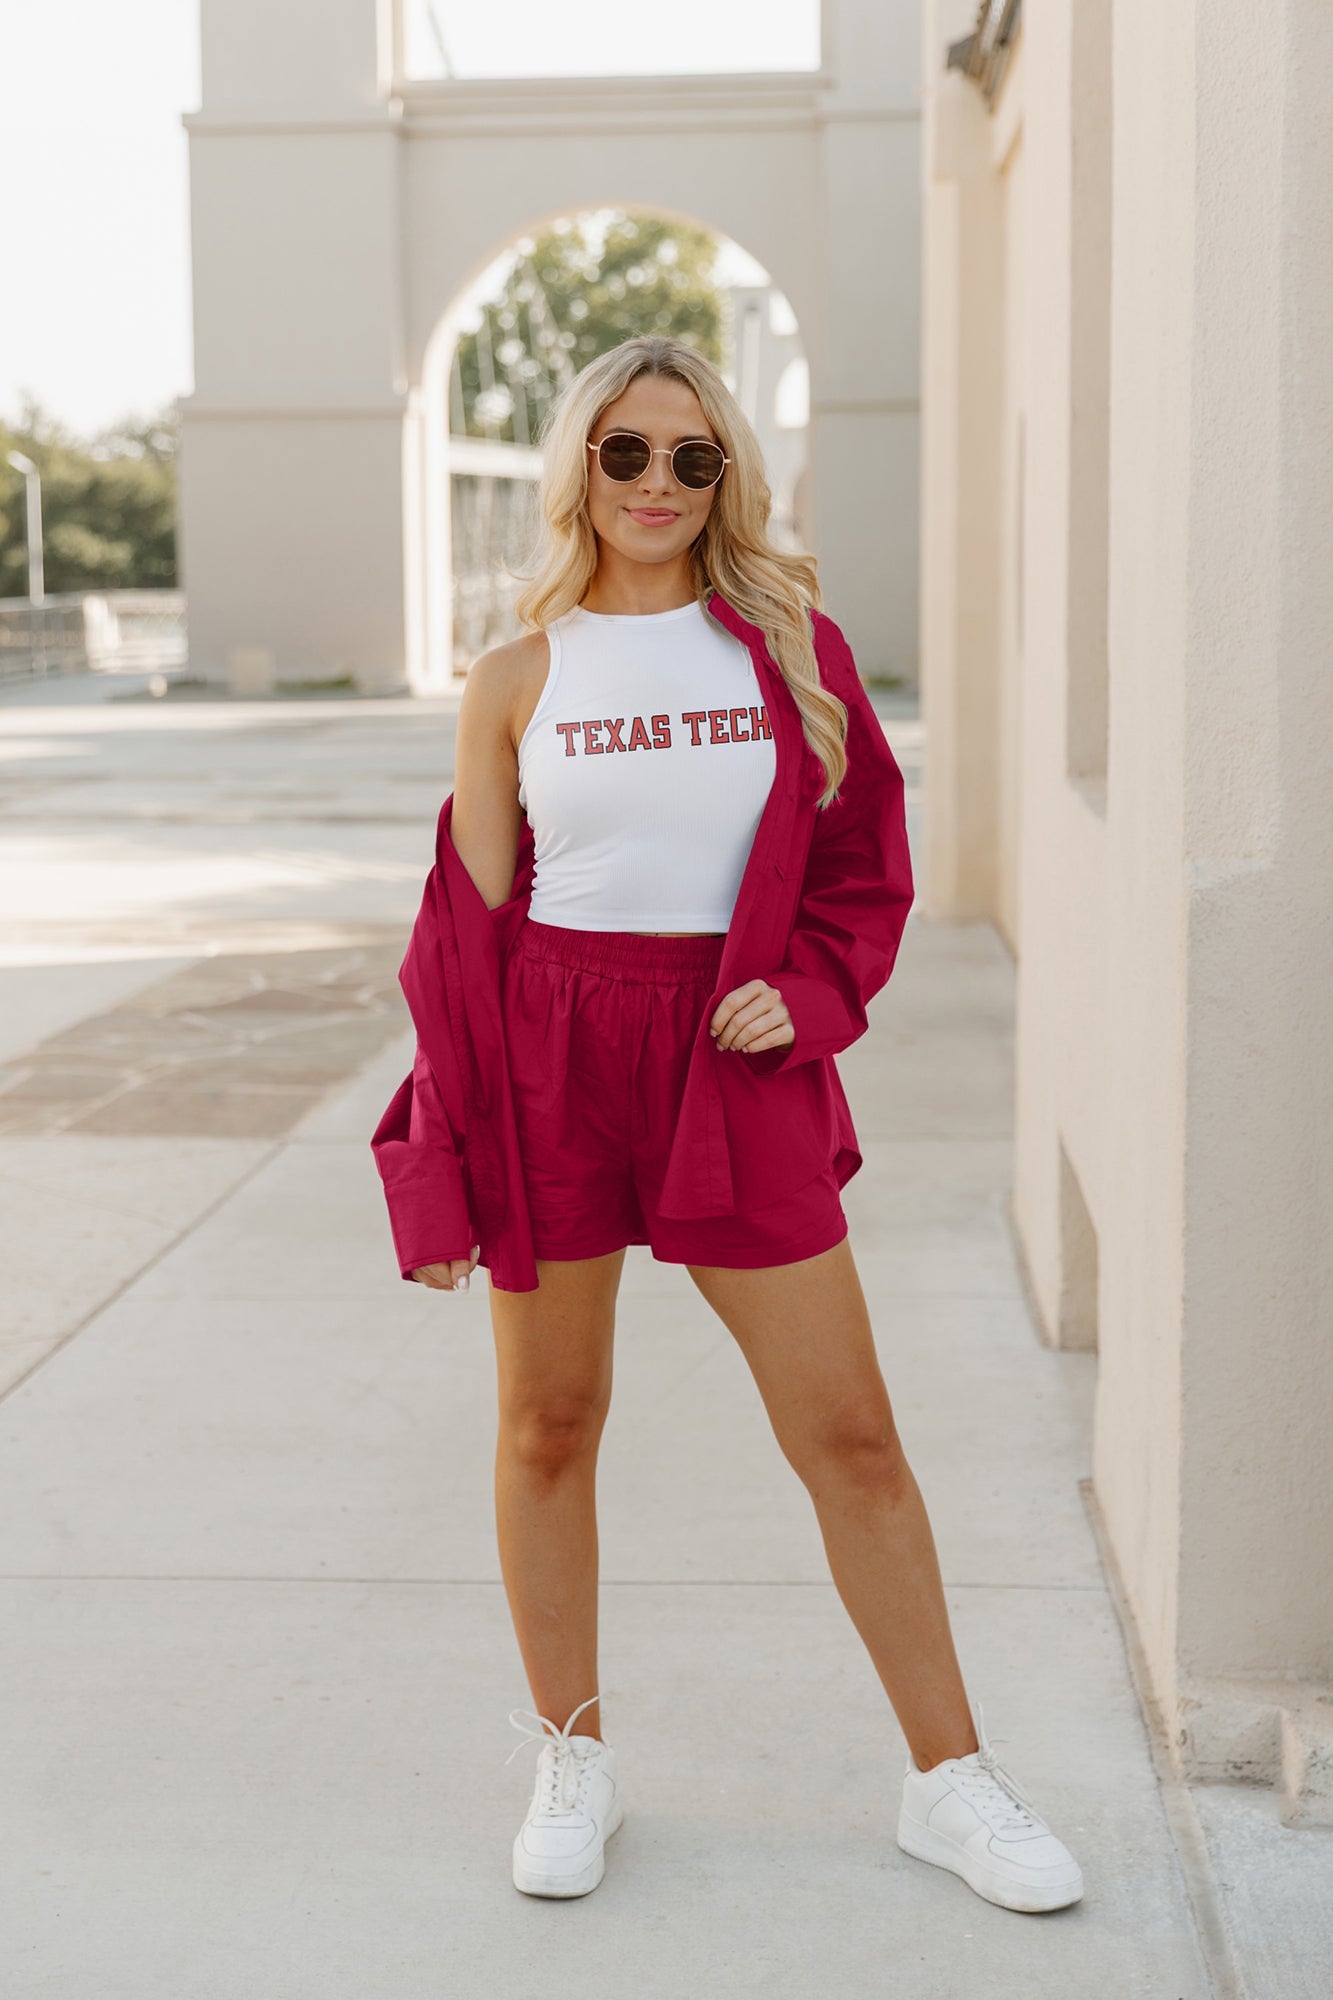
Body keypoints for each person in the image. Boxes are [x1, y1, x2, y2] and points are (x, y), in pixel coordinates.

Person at [375, 334, 1084, 1915]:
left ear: (727, 480)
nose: (655, 484)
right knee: (548, 1427)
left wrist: (815, 995)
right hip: (553, 1056)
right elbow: (460, 945)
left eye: (691, 459)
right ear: (580, 468)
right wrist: (443, 1170)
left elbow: (862, 867)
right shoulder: (516, 679)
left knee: (850, 1436)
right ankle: (573, 1752)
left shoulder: (789, 652)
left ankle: (948, 1780)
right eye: (624, 452)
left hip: (729, 1056)